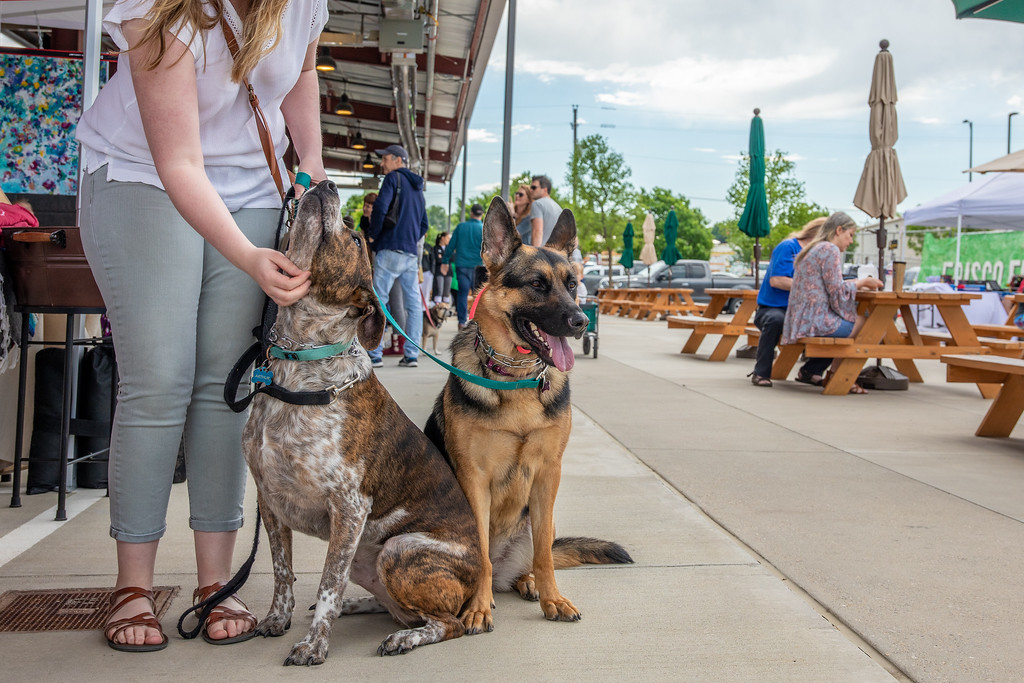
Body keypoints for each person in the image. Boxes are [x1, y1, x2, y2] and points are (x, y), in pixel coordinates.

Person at [74, 0, 325, 652]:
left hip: (254, 189)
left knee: (225, 388)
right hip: (142, 177)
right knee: (159, 377)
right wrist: (247, 256)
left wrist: (315, 173)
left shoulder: (303, 3)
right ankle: (134, 584)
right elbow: (178, 161)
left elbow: (300, 72)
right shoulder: (154, 6)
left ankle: (216, 580)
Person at [782, 212, 883, 394]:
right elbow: (837, 292)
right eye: (850, 235)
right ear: (839, 230)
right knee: (868, 324)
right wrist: (862, 283)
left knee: (856, 321)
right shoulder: (830, 249)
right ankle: (838, 376)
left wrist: (856, 284)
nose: (851, 241)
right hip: (815, 323)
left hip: (800, 321)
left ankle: (827, 373)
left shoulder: (813, 248)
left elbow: (830, 285)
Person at [364, 144, 429, 368]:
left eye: (385, 159)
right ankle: (411, 354)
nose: (382, 163)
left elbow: (381, 207)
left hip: (389, 249)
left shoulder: (393, 180)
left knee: (378, 301)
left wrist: (374, 234)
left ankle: (375, 354)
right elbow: (424, 224)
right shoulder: (418, 188)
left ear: (398, 160)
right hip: (410, 254)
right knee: (413, 304)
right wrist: (409, 239)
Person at [749, 217, 830, 388]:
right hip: (773, 308)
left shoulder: (822, 255)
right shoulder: (788, 247)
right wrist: (813, 288)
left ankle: (810, 371)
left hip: (804, 313)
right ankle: (761, 372)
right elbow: (777, 280)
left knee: (838, 326)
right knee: (775, 320)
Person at [444, 203, 484, 328]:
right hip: (478, 266)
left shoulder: (461, 227)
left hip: (461, 265)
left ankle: (461, 321)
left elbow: (451, 246)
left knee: (462, 293)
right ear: (481, 214)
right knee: (478, 295)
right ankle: (477, 322)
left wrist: (445, 261)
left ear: (471, 213)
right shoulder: (483, 228)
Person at [527, 174, 561, 246]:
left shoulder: (537, 204)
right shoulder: (558, 208)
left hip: (542, 252)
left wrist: (535, 254)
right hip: (555, 253)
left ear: (545, 189)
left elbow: (537, 231)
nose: (530, 190)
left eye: (534, 187)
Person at [431, 232, 452, 303]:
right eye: (448, 238)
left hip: (449, 272)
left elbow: (452, 258)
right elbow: (437, 259)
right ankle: (437, 308)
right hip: (439, 272)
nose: (449, 240)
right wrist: (444, 259)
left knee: (446, 291)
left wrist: (442, 257)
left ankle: (445, 308)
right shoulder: (435, 248)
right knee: (439, 290)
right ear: (442, 238)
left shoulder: (449, 249)